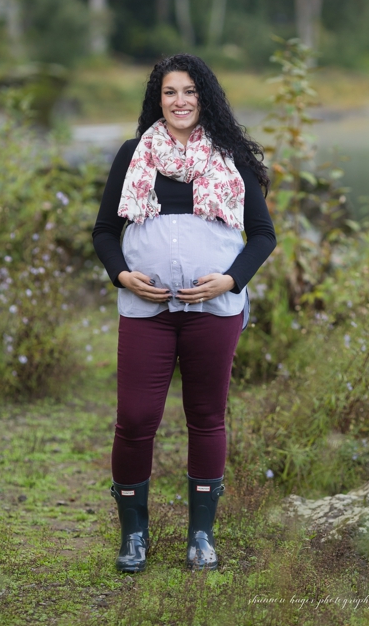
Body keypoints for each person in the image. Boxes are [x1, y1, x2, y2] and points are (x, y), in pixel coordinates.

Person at [91, 53, 276, 573]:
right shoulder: (134, 155)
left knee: (206, 417)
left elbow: (262, 236)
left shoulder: (229, 157)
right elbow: (104, 232)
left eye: (190, 91)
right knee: (134, 418)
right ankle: (133, 535)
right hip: (146, 311)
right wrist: (123, 275)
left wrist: (230, 280)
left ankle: (201, 535)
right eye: (170, 92)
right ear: (159, 99)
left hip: (213, 310)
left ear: (205, 98)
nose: (180, 101)